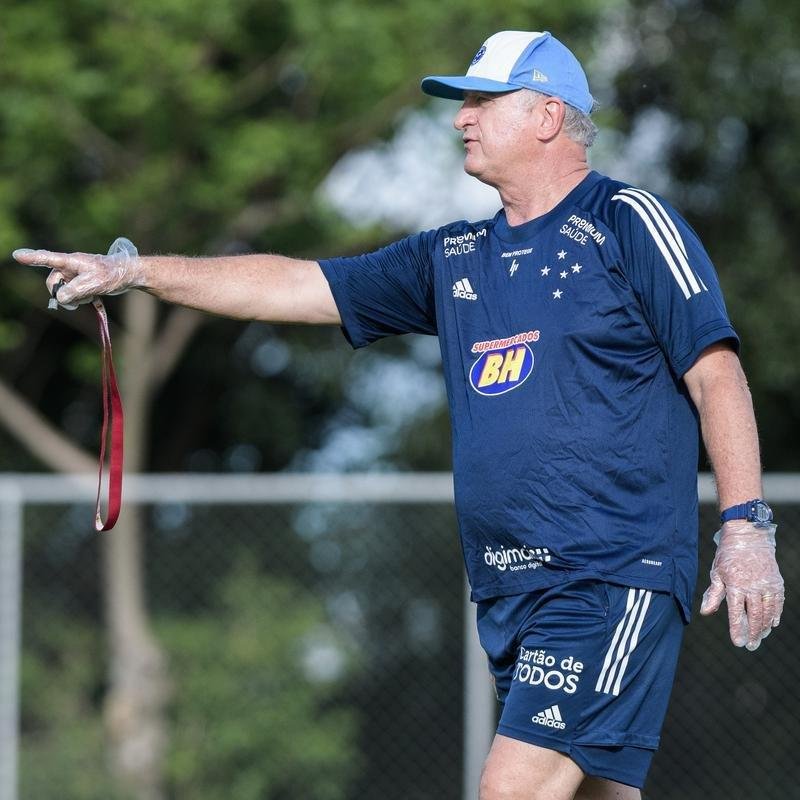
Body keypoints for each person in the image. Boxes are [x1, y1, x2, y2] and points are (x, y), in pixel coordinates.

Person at [13, 29, 784, 800]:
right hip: (509, 596)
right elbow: (291, 285)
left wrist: (745, 528)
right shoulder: (451, 260)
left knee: (511, 790)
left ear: (549, 116)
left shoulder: (628, 223)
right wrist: (134, 271)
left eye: (482, 101)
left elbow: (717, 377)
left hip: (610, 579)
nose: (461, 119)